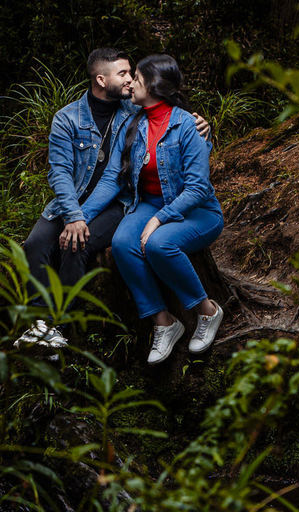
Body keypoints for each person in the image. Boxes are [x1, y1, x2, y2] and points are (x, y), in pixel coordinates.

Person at [16, 48, 210, 349]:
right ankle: (41, 325)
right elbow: (60, 174)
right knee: (37, 243)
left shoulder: (135, 113)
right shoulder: (67, 118)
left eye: (133, 74)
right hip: (73, 201)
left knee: (77, 245)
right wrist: (74, 216)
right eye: (123, 74)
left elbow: (172, 121)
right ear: (101, 79)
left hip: (121, 202)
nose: (131, 80)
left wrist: (202, 130)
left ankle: (66, 328)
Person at [77, 54, 224, 364]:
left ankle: (206, 311)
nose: (132, 84)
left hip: (198, 211)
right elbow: (111, 182)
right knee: (122, 243)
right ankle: (164, 323)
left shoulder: (187, 126)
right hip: (151, 204)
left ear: (155, 87)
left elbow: (197, 188)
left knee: (160, 244)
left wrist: (159, 219)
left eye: (139, 81)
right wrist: (79, 217)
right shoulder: (135, 124)